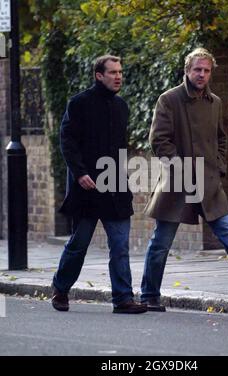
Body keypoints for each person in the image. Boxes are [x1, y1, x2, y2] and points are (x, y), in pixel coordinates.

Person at [140, 47, 228, 312]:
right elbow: (158, 140)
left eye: (206, 70)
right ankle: (148, 294)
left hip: (208, 182)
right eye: (197, 69)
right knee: (161, 242)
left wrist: (218, 167)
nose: (202, 74)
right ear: (187, 70)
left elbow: (221, 138)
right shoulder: (168, 99)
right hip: (177, 184)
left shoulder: (215, 102)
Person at [52, 55, 147, 314]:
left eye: (120, 72)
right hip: (88, 188)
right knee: (78, 244)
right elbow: (67, 141)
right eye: (113, 72)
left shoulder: (121, 106)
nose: (118, 77)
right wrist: (79, 173)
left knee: (120, 246)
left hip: (115, 187)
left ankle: (123, 299)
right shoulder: (79, 104)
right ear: (99, 75)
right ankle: (60, 288)